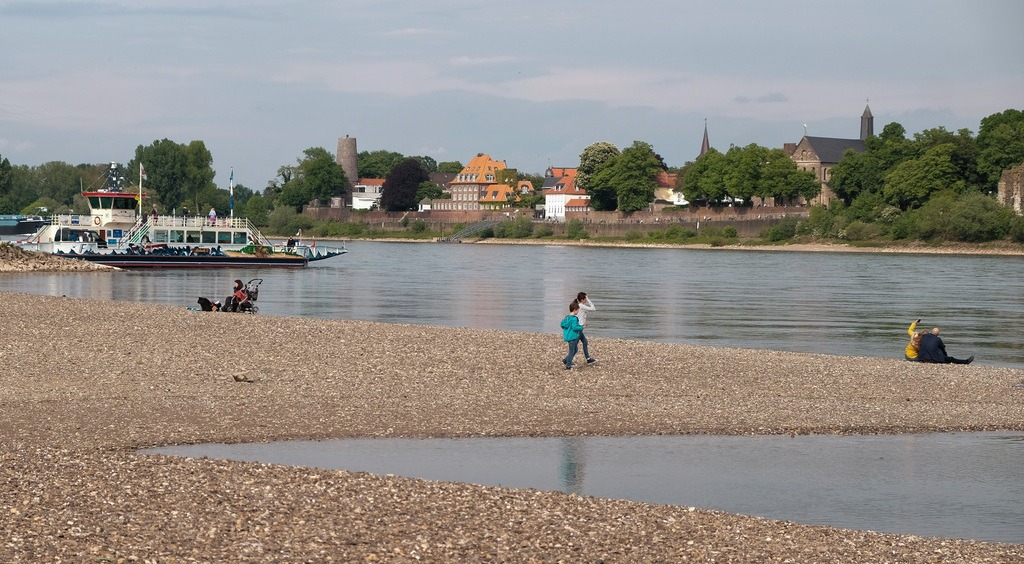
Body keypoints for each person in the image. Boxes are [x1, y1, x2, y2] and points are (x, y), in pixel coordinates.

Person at [574, 292, 598, 364]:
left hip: (579, 327)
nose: (586, 300)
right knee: (575, 346)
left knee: (585, 342)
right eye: (585, 298)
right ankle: (567, 360)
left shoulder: (579, 305)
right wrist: (589, 300)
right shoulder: (581, 306)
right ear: (582, 299)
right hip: (579, 328)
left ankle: (588, 359)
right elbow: (593, 308)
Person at [560, 301, 584, 370]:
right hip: (573, 337)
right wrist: (581, 327)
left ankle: (566, 360)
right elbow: (574, 327)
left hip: (568, 336)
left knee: (575, 349)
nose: (578, 312)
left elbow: (563, 325)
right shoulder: (574, 318)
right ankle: (568, 365)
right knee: (572, 351)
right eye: (577, 310)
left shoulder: (567, 318)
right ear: (574, 310)